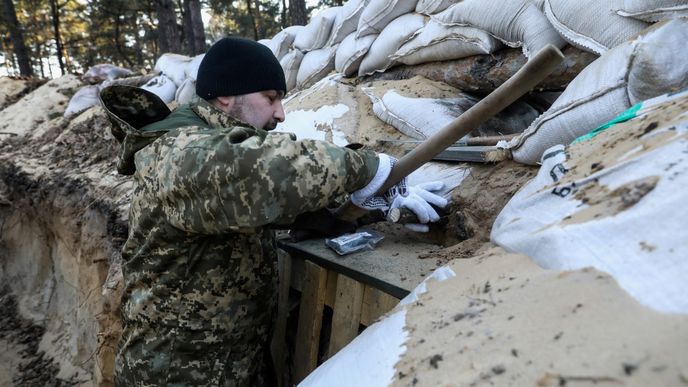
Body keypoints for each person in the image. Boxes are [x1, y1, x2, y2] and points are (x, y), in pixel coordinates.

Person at [101, 37, 447, 386]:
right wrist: (371, 168)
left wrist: (376, 205)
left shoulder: (207, 155)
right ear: (226, 95)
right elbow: (268, 172)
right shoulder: (182, 153)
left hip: (223, 367)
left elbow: (279, 208)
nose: (280, 113)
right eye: (270, 98)